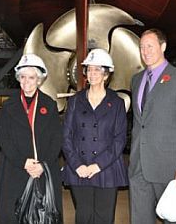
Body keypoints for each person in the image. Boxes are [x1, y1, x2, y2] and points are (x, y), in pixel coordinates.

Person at [128, 29, 176, 224]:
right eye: (142, 47)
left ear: (163, 46)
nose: (145, 51)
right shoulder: (136, 80)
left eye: (150, 46)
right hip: (138, 166)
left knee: (173, 219)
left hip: (169, 169)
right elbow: (139, 124)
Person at [63, 48, 128, 224]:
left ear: (106, 74)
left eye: (97, 69)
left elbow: (120, 139)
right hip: (79, 169)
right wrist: (77, 165)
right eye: (89, 69)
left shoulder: (117, 103)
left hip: (106, 169)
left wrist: (97, 165)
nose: (92, 73)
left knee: (104, 218)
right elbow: (66, 136)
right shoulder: (76, 100)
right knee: (83, 216)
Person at [0, 53, 63, 223]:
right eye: (23, 77)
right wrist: (22, 162)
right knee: (13, 215)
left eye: (31, 78)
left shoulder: (49, 105)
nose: (26, 82)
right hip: (15, 170)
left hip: (42, 171)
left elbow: (57, 139)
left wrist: (42, 164)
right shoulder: (8, 106)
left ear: (39, 80)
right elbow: (3, 138)